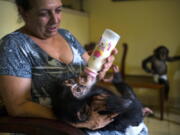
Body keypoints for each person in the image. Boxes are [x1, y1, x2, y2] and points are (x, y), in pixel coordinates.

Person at [0, 0, 148, 135]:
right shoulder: (13, 45)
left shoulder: (66, 35)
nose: (55, 20)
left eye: (58, 10)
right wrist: (80, 121)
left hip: (91, 121)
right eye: (44, 13)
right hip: (54, 128)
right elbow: (18, 106)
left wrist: (101, 71)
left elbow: (91, 76)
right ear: (23, 11)